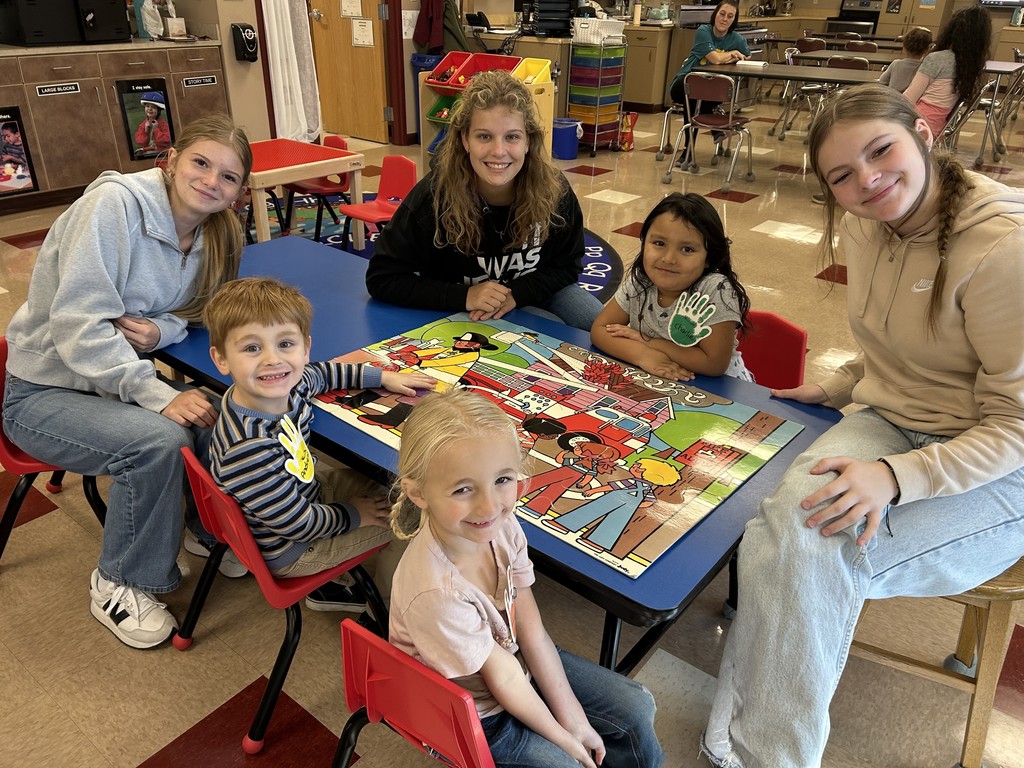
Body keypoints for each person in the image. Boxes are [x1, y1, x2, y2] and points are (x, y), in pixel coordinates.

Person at [700, 83, 1024, 768]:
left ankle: (764, 755)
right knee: (782, 527)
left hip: (1000, 467)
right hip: (894, 421)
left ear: (926, 137)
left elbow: (1016, 427)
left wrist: (895, 478)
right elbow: (901, 344)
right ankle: (742, 741)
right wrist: (842, 382)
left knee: (812, 556)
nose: (867, 182)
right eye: (842, 175)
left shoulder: (1005, 250)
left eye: (882, 152)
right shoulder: (865, 223)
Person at [2, 114, 253, 650]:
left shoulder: (214, 232)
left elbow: (198, 310)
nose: (211, 181)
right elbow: (79, 326)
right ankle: (120, 580)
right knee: (158, 441)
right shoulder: (113, 208)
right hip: (42, 394)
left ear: (238, 193)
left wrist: (159, 328)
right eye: (201, 163)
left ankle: (201, 527)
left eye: (228, 177)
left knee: (219, 412)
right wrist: (156, 393)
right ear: (170, 161)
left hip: (106, 384)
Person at [388, 388, 665, 768]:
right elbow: (503, 681)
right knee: (568, 763)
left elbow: (531, 628)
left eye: (502, 480)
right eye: (463, 489)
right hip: (473, 713)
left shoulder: (500, 527)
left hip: (512, 661)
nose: (489, 506)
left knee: (636, 707)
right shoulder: (436, 591)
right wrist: (567, 739)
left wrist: (573, 718)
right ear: (418, 493)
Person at [203, 277, 435, 610]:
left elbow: (322, 374)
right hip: (292, 547)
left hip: (303, 493)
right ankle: (386, 613)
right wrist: (353, 514)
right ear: (221, 358)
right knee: (408, 522)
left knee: (397, 487)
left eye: (285, 344)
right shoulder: (249, 448)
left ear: (305, 347)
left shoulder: (283, 385)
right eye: (252, 348)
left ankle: (340, 584)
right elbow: (298, 524)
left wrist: (384, 378)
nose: (273, 360)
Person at [366, 69, 602, 331]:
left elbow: (568, 267)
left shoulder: (555, 190)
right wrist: (464, 296)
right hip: (466, 304)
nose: (498, 152)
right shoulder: (432, 198)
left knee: (602, 326)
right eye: (484, 136)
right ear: (465, 140)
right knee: (550, 331)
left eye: (512, 136)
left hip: (538, 287)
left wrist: (517, 293)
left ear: (528, 141)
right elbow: (382, 279)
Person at [591, 192, 752, 383]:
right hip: (660, 379)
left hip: (722, 391)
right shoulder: (641, 279)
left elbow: (714, 364)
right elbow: (600, 330)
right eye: (659, 243)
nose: (668, 259)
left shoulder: (716, 289)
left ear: (709, 257)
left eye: (687, 249)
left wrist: (646, 341)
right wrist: (643, 354)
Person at [667, 0, 749, 156]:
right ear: (715, 15)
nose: (725, 19)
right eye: (722, 14)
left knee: (701, 98)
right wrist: (732, 55)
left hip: (713, 90)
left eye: (730, 16)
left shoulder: (736, 39)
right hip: (684, 82)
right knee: (692, 98)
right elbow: (715, 59)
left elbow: (747, 57)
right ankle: (690, 147)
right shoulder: (703, 31)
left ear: (734, 20)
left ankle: (688, 150)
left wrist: (735, 57)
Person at [903, 6, 991, 137]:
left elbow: (908, 99)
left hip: (915, 125)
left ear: (952, 30)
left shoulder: (938, 59)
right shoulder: (972, 65)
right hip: (936, 127)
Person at [877, 26, 932, 94]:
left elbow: (882, 82)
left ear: (904, 47)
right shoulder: (926, 69)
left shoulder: (896, 64)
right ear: (926, 50)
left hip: (893, 100)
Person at [133, 91, 172, 157]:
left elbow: (164, 142)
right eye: (147, 106)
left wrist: (156, 129)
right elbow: (141, 142)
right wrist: (146, 131)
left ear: (158, 111)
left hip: (160, 153)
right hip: (147, 153)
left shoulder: (163, 125)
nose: (150, 109)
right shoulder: (143, 125)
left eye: (153, 107)